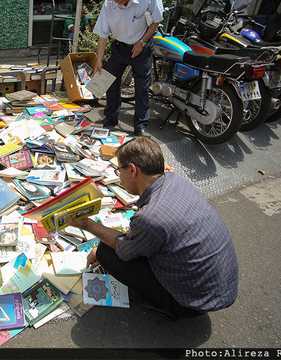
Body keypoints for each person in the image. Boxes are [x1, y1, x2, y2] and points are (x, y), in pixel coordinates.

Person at [70, 137, 239, 320]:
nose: (119, 176)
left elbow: (124, 250)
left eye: (119, 170)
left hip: (191, 303)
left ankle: (165, 307)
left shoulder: (150, 218)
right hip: (223, 288)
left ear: (133, 170)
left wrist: (88, 225)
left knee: (105, 251)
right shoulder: (176, 181)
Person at [93, 0, 163, 136]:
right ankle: (111, 117)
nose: (116, 1)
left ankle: (140, 125)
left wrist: (143, 42)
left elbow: (157, 19)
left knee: (142, 87)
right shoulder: (109, 4)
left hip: (141, 47)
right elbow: (103, 33)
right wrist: (99, 60)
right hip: (120, 47)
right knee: (109, 81)